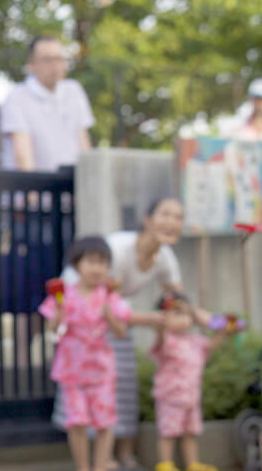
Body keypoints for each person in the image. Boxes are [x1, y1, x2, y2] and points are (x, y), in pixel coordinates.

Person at [57, 196, 186, 470]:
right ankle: (92, 461)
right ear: (147, 219)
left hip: (113, 318)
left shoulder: (165, 258)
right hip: (83, 321)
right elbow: (94, 293)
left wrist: (187, 317)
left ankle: (119, 456)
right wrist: (152, 320)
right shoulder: (117, 247)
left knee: (121, 387)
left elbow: (176, 297)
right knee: (79, 406)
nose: (172, 222)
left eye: (178, 217)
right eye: (165, 214)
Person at [39, 236, 132, 471]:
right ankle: (83, 468)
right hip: (72, 372)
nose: (97, 268)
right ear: (77, 264)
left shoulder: (110, 297)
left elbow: (121, 332)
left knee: (104, 423)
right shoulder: (62, 296)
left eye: (102, 262)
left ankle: (100, 467)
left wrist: (109, 314)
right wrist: (59, 312)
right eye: (91, 261)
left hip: (102, 371)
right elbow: (51, 329)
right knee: (77, 422)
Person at [151, 293, 230, 471]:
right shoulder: (166, 340)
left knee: (190, 433)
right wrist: (160, 325)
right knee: (168, 433)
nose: (184, 318)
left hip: (191, 397)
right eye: (177, 313)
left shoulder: (195, 341)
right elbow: (160, 340)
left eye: (187, 314)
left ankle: (193, 464)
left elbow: (214, 342)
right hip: (171, 397)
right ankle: (165, 464)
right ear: (163, 318)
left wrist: (218, 327)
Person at [0, 36, 94, 171]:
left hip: (69, 187)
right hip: (36, 186)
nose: (55, 65)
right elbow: (23, 157)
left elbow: (83, 143)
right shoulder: (17, 97)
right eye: (47, 60)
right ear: (31, 64)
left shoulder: (74, 91)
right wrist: (32, 190)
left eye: (59, 58)